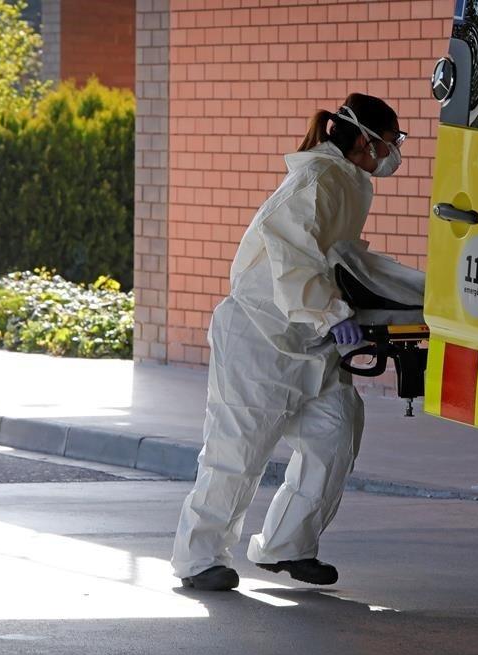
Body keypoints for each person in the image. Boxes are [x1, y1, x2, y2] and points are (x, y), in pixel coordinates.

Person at [171, 94, 406, 591]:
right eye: (391, 140)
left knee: (334, 436)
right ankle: (199, 558)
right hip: (261, 337)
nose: (393, 151)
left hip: (311, 339)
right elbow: (292, 254)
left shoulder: (347, 181)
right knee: (237, 452)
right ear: (365, 138)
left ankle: (286, 546)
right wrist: (331, 313)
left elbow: (335, 258)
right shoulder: (318, 179)